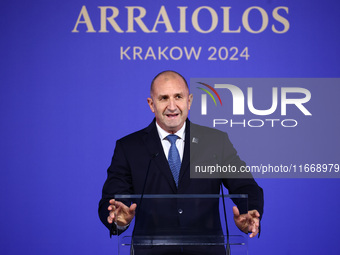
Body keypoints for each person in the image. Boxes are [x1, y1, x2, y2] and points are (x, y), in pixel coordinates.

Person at [98, 70, 264, 255]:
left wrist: (249, 211)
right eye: (163, 98)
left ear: (189, 101)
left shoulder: (216, 142)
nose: (172, 106)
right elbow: (112, 198)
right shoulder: (129, 147)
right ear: (151, 104)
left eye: (178, 96)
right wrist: (119, 218)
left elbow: (245, 185)